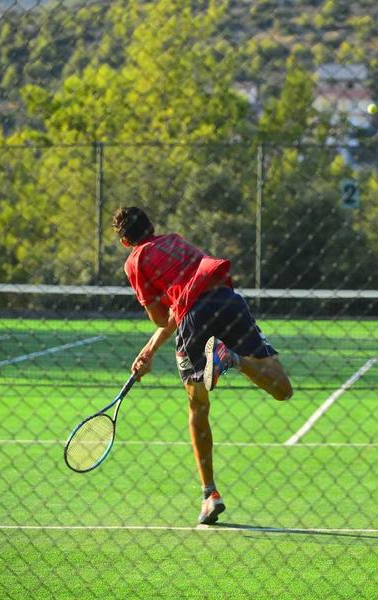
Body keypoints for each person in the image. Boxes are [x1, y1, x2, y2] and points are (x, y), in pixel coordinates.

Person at [112, 206, 292, 525]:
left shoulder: (135, 262)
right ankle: (232, 358)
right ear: (152, 226)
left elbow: (164, 316)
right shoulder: (177, 241)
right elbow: (188, 296)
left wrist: (157, 329)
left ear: (125, 242)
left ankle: (209, 494)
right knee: (282, 389)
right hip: (228, 301)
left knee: (198, 407)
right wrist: (149, 350)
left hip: (194, 318)